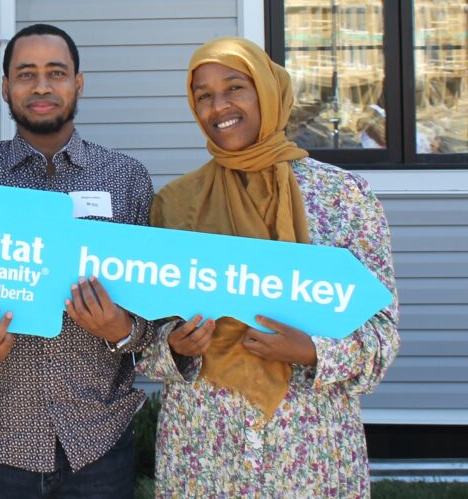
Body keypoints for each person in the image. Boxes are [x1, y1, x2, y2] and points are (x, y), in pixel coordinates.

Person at [139, 36, 399, 498]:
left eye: (235, 87)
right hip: (205, 448)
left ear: (267, 89)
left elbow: (381, 335)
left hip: (310, 447)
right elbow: (145, 337)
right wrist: (176, 347)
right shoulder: (174, 206)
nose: (219, 106)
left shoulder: (342, 198)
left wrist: (312, 351)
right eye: (203, 95)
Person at [0, 24, 154, 498]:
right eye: (26, 74)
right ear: (6, 88)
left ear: (78, 83)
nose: (42, 86)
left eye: (56, 73)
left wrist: (123, 331)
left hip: (98, 442)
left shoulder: (125, 179)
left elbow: (157, 305)